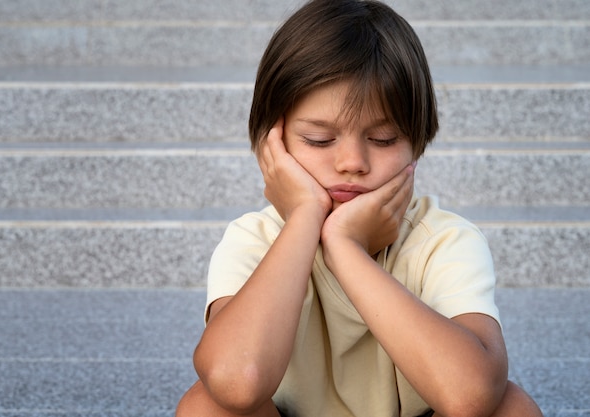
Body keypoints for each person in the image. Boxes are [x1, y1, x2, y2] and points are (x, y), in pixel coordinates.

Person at [176, 1, 544, 416]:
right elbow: (235, 381)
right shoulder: (253, 240)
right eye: (319, 139)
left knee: (510, 408)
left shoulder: (444, 241)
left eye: (384, 139)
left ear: (416, 144)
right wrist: (303, 221)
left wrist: (345, 248)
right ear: (271, 144)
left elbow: (470, 395)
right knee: (205, 407)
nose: (352, 162)